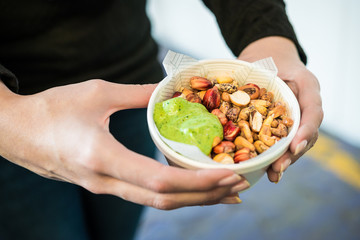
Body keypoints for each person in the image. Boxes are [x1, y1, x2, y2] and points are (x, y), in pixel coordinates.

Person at [0, 0, 323, 239]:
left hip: (131, 78)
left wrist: (267, 36)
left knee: (117, 230)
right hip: (20, 105)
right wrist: (9, 117)